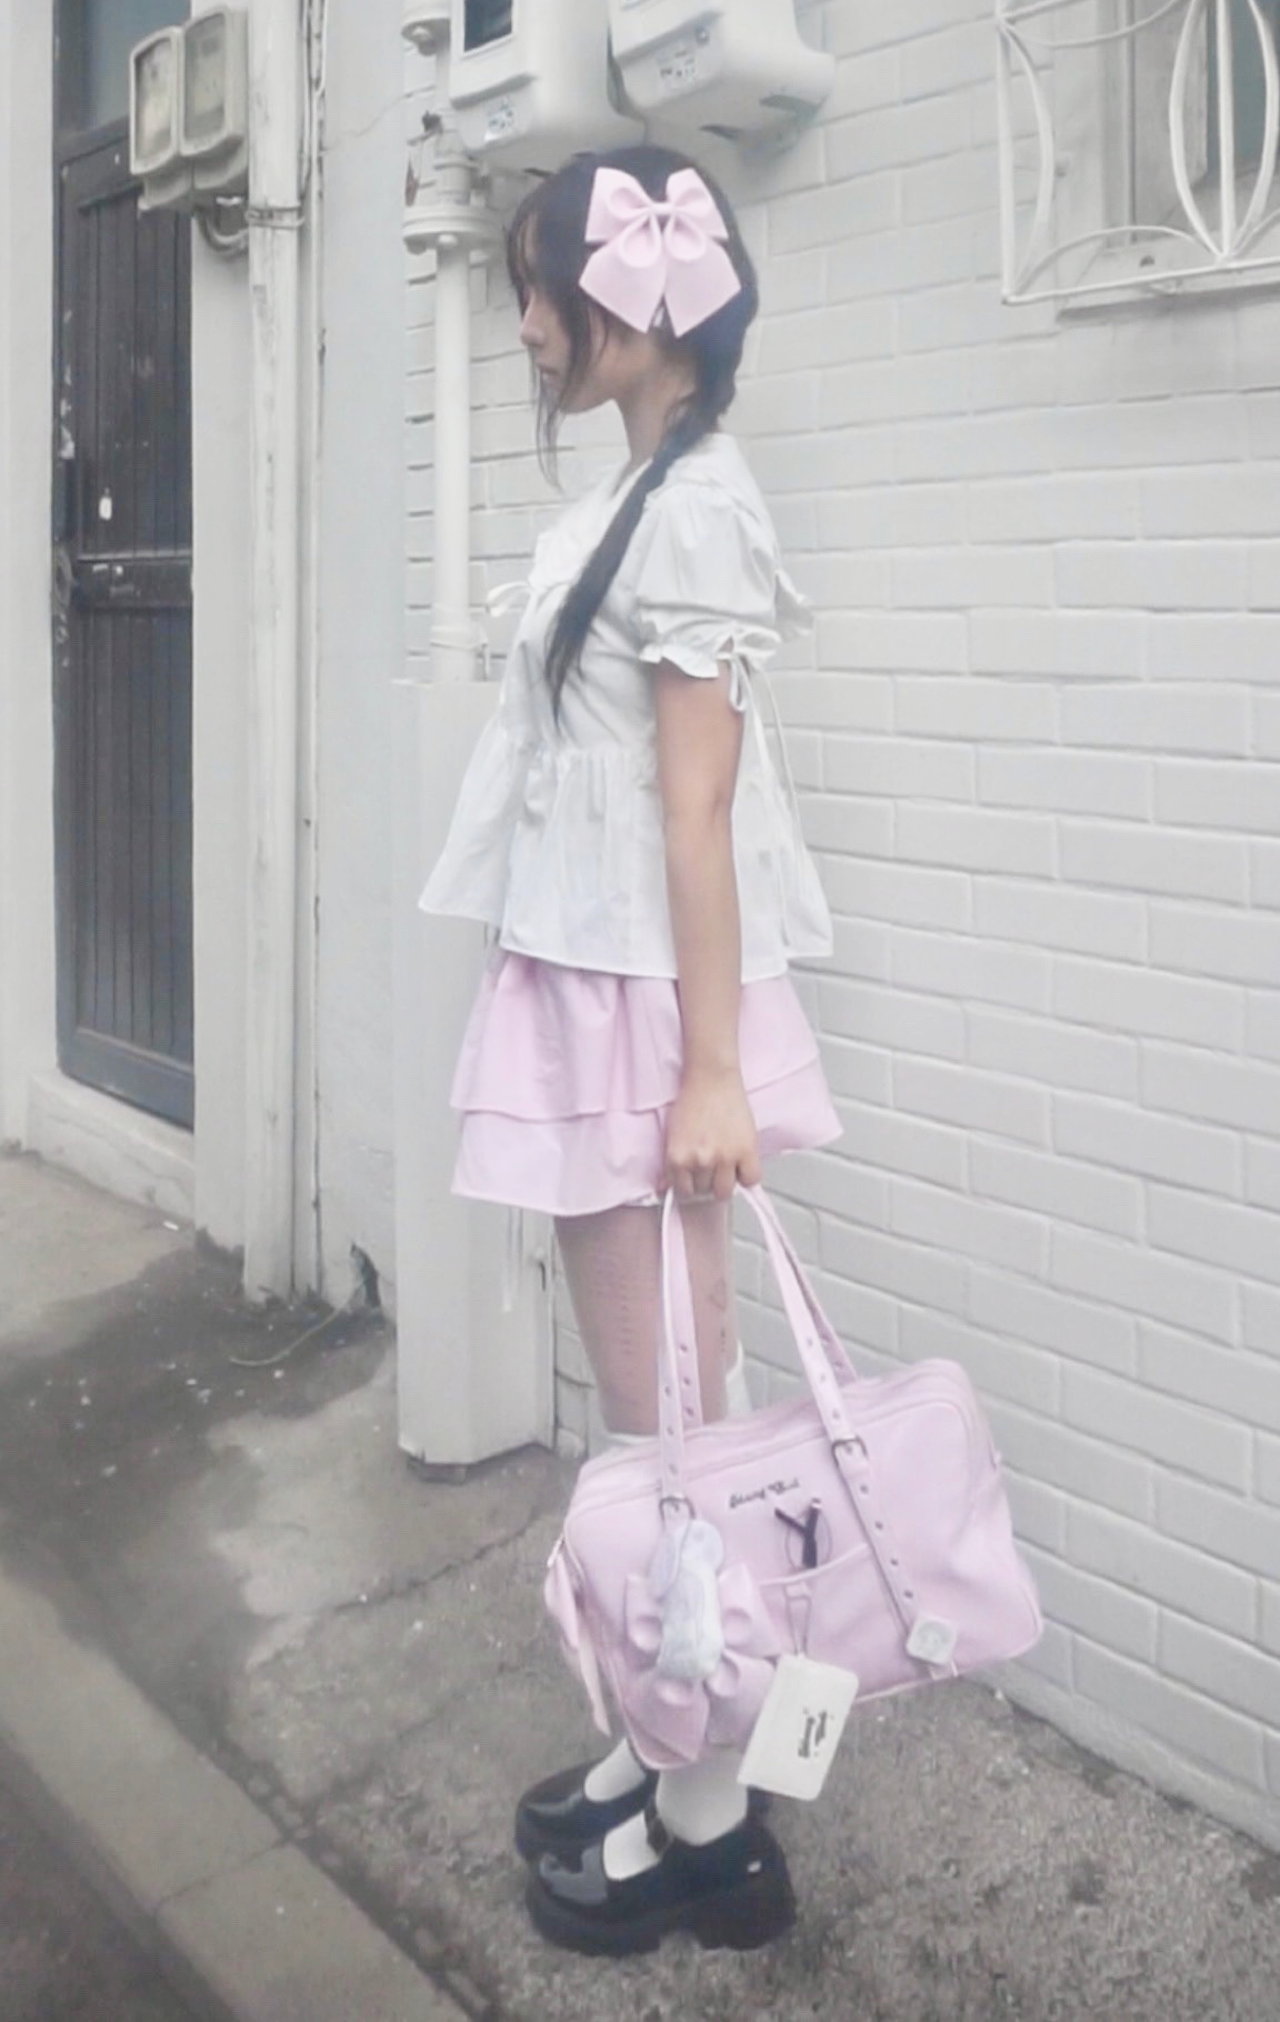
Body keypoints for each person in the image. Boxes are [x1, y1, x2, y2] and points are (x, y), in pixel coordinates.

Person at [418, 143, 839, 1956]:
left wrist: (716, 1069)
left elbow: (699, 810)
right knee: (646, 1409)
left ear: (640, 307)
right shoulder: (639, 491)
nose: (525, 324)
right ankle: (661, 1736)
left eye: (546, 288)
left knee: (677, 1415)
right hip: (590, 989)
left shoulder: (699, 508)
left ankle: (716, 1822)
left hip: (645, 1017)